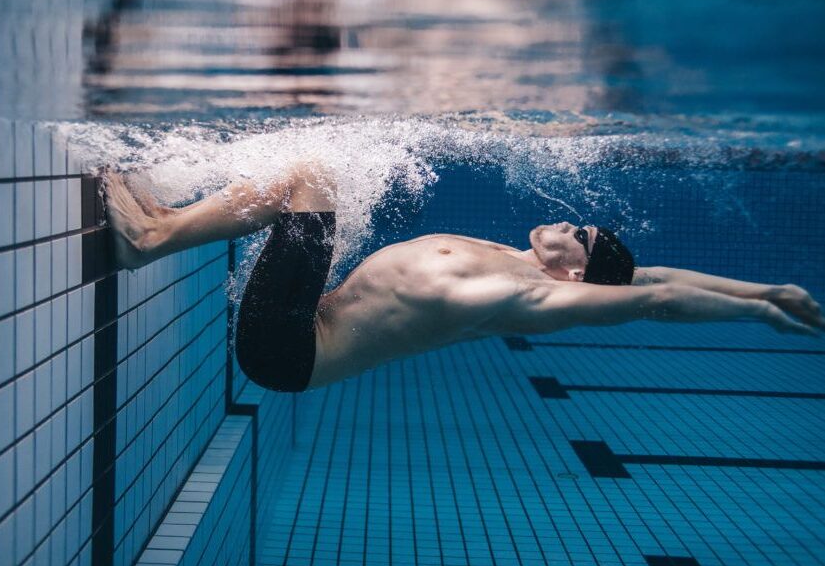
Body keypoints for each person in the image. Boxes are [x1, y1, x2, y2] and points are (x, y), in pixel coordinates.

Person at [103, 161, 824, 393]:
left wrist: (755, 320)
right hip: (306, 323)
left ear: (575, 273)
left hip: (288, 351)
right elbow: (659, 272)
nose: (572, 223)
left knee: (310, 178)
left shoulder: (525, 292)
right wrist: (764, 289)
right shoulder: (518, 256)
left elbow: (656, 297)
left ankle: (151, 238)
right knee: (312, 178)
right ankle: (168, 217)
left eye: (582, 236)